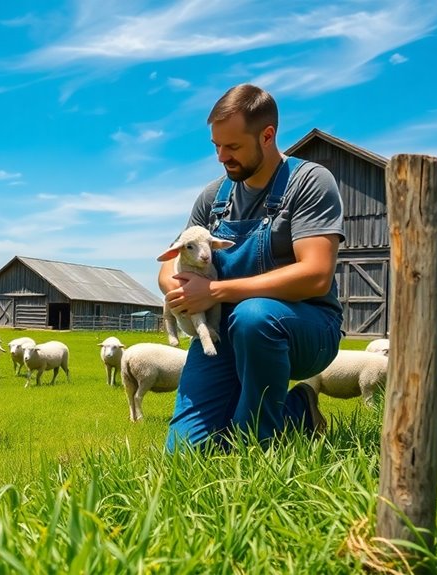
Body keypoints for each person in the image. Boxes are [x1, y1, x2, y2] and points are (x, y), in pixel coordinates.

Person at [158, 83, 345, 451]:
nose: (221, 157)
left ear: (267, 135)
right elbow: (172, 260)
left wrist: (214, 291)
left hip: (304, 329)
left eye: (233, 147)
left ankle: (263, 436)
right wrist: (177, 289)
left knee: (254, 317)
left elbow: (316, 275)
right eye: (216, 147)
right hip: (223, 331)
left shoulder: (308, 182)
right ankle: (295, 412)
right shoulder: (214, 198)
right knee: (185, 453)